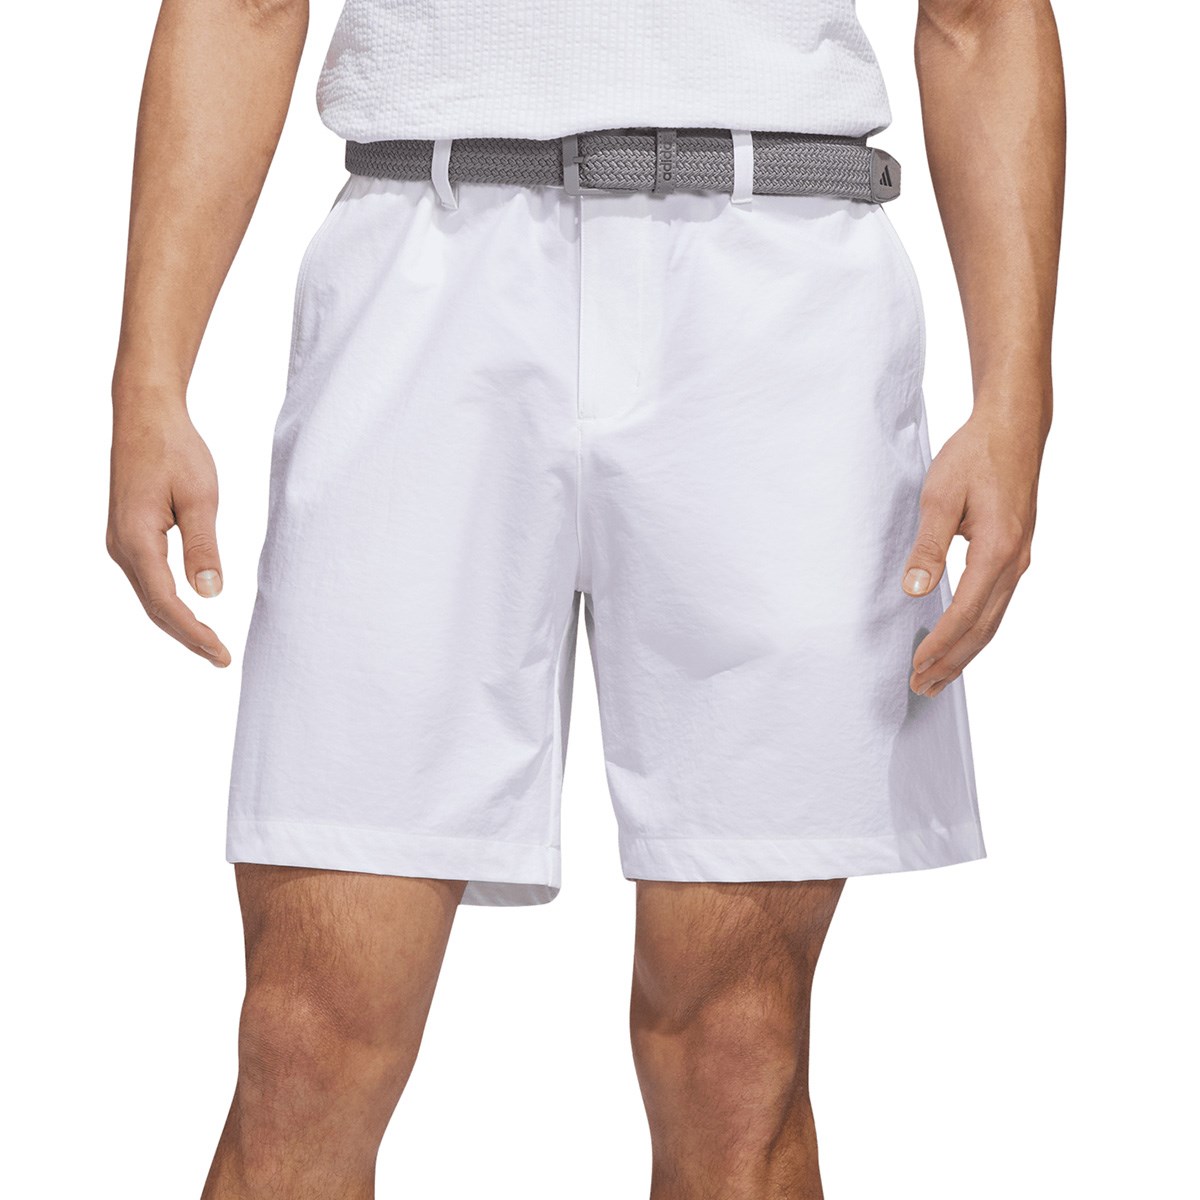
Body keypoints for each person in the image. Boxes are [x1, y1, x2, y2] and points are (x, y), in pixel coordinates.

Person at [107, 1, 1064, 1195]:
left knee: (738, 1054)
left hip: (775, 278)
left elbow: (980, 14)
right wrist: (149, 378)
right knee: (305, 1041)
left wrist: (1017, 395)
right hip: (425, 244)